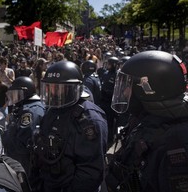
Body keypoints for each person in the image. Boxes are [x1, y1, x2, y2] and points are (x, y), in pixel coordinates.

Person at [106, 50, 188, 192]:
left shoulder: (176, 141)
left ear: (150, 88)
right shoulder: (144, 119)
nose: (125, 93)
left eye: (129, 86)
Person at [32, 60, 108, 192]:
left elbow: (90, 172)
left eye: (59, 89)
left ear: (75, 89)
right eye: (50, 88)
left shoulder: (89, 119)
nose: (54, 94)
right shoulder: (52, 111)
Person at [2, 76, 45, 178]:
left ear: (25, 93)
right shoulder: (23, 107)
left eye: (17, 94)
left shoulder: (31, 111)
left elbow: (25, 141)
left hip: (25, 163)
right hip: (18, 160)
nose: (14, 97)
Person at [100, 56, 119, 148]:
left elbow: (117, 91)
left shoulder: (117, 75)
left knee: (110, 123)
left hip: (111, 103)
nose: (107, 65)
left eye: (109, 64)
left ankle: (110, 139)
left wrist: (108, 92)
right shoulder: (105, 73)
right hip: (103, 101)